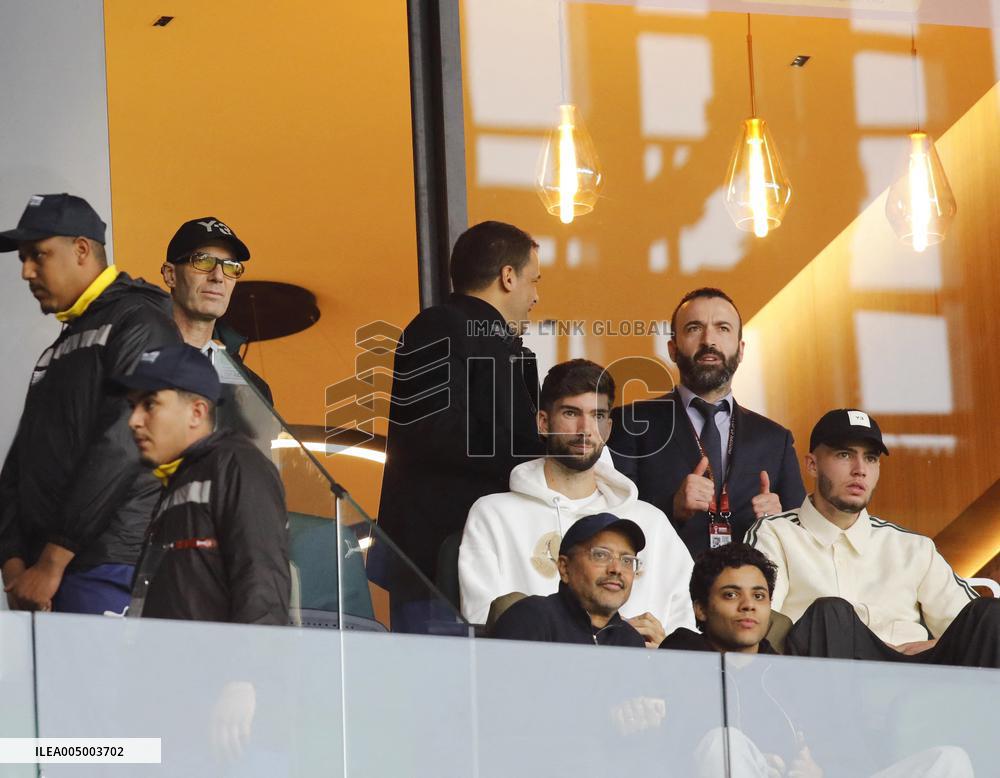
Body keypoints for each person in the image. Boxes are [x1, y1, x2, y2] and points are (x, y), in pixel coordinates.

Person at [0, 193, 180, 614]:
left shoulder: (141, 323)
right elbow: (20, 461)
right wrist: (13, 564)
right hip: (40, 579)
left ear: (82, 250)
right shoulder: (62, 345)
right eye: (23, 258)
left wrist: (51, 560)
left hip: (106, 566)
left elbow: (123, 443)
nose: (26, 272)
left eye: (38, 255)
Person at [375, 221, 544, 620]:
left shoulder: (511, 351)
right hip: (438, 556)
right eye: (533, 281)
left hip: (489, 553)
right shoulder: (439, 325)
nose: (536, 296)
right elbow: (432, 430)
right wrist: (534, 459)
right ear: (507, 277)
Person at [459, 359, 694, 645]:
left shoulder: (651, 523)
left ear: (608, 428)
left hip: (640, 681)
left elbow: (687, 636)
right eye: (571, 413)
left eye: (597, 415)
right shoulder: (494, 514)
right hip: (534, 680)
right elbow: (483, 626)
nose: (585, 429)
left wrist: (666, 647)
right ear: (544, 423)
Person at [747, 408, 1000, 667]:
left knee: (991, 614)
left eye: (870, 458)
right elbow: (755, 623)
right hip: (828, 678)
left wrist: (934, 645)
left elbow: (976, 626)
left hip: (914, 678)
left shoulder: (913, 547)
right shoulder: (776, 534)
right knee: (831, 613)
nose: (860, 470)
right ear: (812, 464)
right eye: (844, 455)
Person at [609, 287, 805, 556]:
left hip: (749, 591)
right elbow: (610, 520)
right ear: (672, 348)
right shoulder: (629, 423)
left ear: (741, 348)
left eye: (723, 328)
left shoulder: (775, 439)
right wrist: (671, 507)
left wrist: (781, 521)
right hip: (662, 588)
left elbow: (803, 538)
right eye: (693, 328)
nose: (708, 340)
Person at [118, 344, 290, 624]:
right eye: (132, 406)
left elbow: (262, 592)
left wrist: (253, 668)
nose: (134, 420)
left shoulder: (239, 466)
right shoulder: (184, 476)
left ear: (197, 413)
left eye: (149, 404)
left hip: (221, 667)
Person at [491, 512, 647, 647]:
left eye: (627, 560)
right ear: (564, 568)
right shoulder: (532, 618)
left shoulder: (631, 641)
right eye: (600, 555)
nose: (616, 569)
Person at [161, 217, 272, 403]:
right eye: (203, 262)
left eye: (231, 267)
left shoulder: (253, 390)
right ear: (170, 275)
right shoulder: (131, 356)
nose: (218, 276)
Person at [659, 542, 777, 654]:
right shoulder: (672, 663)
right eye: (731, 595)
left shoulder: (788, 671)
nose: (748, 605)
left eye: (759, 596)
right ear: (701, 609)